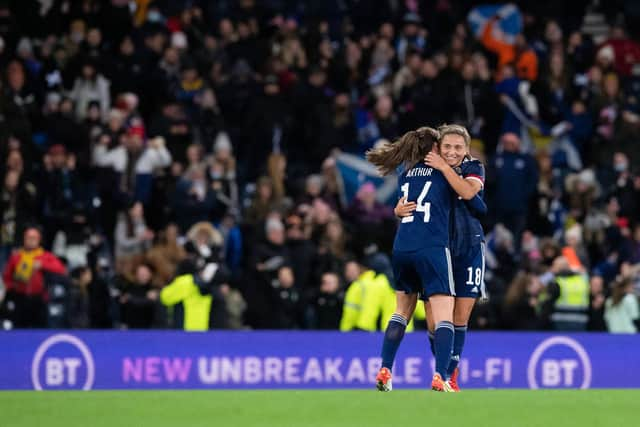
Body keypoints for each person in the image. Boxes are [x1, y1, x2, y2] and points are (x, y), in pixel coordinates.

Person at [394, 124, 488, 391]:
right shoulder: (427, 171)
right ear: (438, 147)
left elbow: (470, 193)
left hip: (468, 247)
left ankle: (448, 377)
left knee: (460, 317)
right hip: (437, 249)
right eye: (447, 146)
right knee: (435, 322)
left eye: (458, 147)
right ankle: (443, 372)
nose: (452, 152)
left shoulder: (474, 168)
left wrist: (445, 169)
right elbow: (411, 202)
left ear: (466, 150)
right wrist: (398, 210)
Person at [367, 126, 457, 392]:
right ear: (434, 149)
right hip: (432, 246)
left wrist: (396, 210)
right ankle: (441, 375)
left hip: (403, 246)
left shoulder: (405, 175)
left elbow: (404, 207)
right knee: (443, 316)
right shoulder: (444, 173)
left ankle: (385, 369)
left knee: (401, 312)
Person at [1, 227, 66, 328]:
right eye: (29, 238)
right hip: (20, 298)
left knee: (39, 328)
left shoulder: (45, 256)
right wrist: (13, 286)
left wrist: (42, 264)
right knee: (19, 327)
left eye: (34, 238)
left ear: (39, 240)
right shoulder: (17, 256)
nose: (31, 240)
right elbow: (6, 277)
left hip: (39, 299)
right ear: (24, 239)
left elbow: (60, 269)